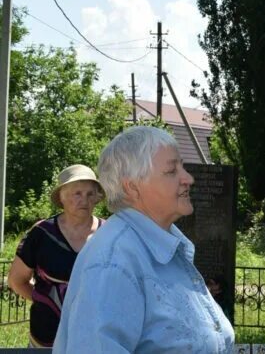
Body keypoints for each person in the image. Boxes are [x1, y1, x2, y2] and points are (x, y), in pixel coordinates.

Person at [52, 126, 235, 353]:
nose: (188, 178)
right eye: (171, 171)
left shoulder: (164, 248)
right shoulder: (113, 261)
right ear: (132, 187)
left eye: (183, 168)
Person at [8, 165, 105, 348]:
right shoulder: (41, 234)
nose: (84, 200)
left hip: (95, 338)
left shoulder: (108, 234)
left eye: (90, 194)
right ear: (61, 197)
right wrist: (45, 300)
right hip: (46, 338)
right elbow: (16, 280)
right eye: (77, 193)